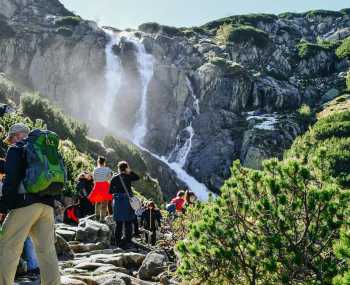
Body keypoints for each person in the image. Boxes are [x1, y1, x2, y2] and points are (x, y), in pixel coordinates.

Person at [0, 123, 60, 285]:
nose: (11, 143)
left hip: (24, 204)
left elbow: (11, 182)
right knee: (47, 251)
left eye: (11, 138)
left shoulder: (17, 149)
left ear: (18, 135)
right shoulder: (46, 151)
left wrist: (3, 207)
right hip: (47, 206)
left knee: (8, 246)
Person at [109, 161, 140, 248]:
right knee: (128, 222)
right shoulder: (128, 176)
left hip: (118, 202)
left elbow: (110, 191)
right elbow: (137, 177)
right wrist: (129, 171)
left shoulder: (114, 178)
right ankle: (127, 241)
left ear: (118, 168)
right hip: (127, 201)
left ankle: (118, 242)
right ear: (126, 168)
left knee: (118, 223)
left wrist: (118, 192)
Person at [88, 156, 113, 222]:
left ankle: (97, 216)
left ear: (98, 162)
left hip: (98, 186)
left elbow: (94, 179)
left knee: (98, 202)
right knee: (104, 204)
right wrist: (105, 179)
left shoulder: (95, 169)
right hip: (105, 186)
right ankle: (102, 219)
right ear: (104, 162)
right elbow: (110, 178)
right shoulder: (108, 169)